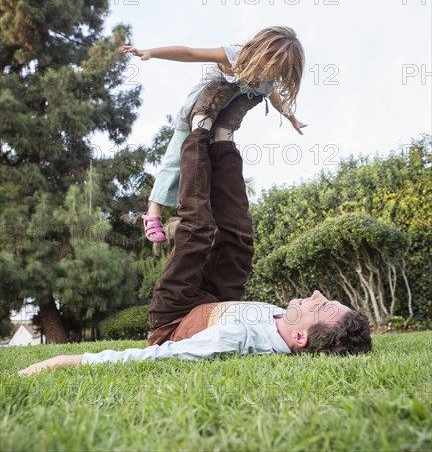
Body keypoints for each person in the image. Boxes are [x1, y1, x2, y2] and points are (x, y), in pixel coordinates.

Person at [18, 129, 371, 376]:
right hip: (216, 301)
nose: (317, 294)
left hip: (176, 317)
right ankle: (223, 141)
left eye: (322, 306)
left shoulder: (235, 339)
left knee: (199, 231)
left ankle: (199, 132)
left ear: (299, 338)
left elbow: (158, 355)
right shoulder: (285, 319)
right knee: (239, 241)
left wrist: (67, 360)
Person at [122, 26, 307, 243]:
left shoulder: (267, 82)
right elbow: (190, 53)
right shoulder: (234, 57)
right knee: (175, 161)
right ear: (258, 49)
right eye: (265, 62)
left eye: (274, 70)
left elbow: (277, 101)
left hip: (221, 126)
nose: (265, 71)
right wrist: (151, 52)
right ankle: (153, 213)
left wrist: (292, 118)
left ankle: (215, 217)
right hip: (196, 116)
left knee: (209, 169)